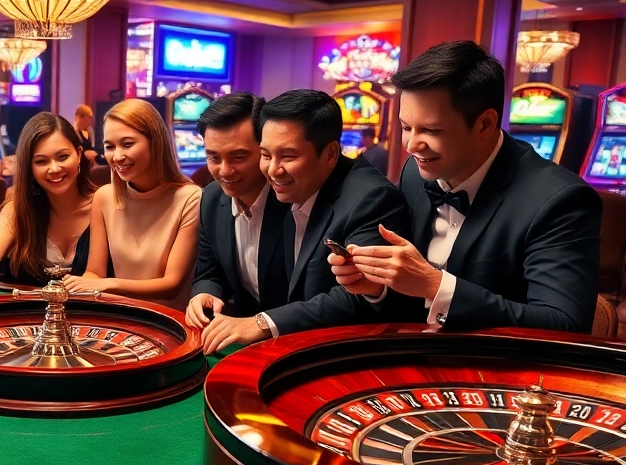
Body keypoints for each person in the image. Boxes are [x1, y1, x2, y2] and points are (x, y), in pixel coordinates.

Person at [332, 40, 601, 333]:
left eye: (431, 130)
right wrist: (378, 287)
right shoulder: (414, 173)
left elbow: (564, 327)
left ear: (485, 124)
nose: (411, 145)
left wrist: (435, 285)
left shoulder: (559, 200)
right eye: (406, 127)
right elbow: (412, 305)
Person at [196, 90, 410, 354]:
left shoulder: (371, 198)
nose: (273, 170)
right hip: (283, 346)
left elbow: (357, 295)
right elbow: (211, 271)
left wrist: (263, 323)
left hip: (345, 352)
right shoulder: (286, 187)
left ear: (330, 153)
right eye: (266, 154)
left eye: (287, 156)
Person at [62, 99, 201, 310]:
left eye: (127, 144)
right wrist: (78, 285)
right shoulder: (104, 197)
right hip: (123, 318)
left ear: (155, 142)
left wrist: (107, 284)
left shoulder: (190, 198)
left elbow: (171, 284)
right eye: (109, 146)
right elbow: (95, 273)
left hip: (173, 324)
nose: (117, 156)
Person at [0, 112, 97, 303]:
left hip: (91, 320)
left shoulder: (102, 206)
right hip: (30, 320)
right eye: (41, 161)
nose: (54, 168)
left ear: (78, 154)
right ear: (29, 166)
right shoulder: (18, 209)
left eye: (62, 157)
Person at [186, 92, 285, 326]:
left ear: (265, 151)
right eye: (213, 158)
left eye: (238, 157)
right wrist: (204, 292)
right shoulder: (210, 198)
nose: (224, 171)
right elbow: (209, 272)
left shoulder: (294, 198)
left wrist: (263, 325)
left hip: (299, 337)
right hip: (237, 329)